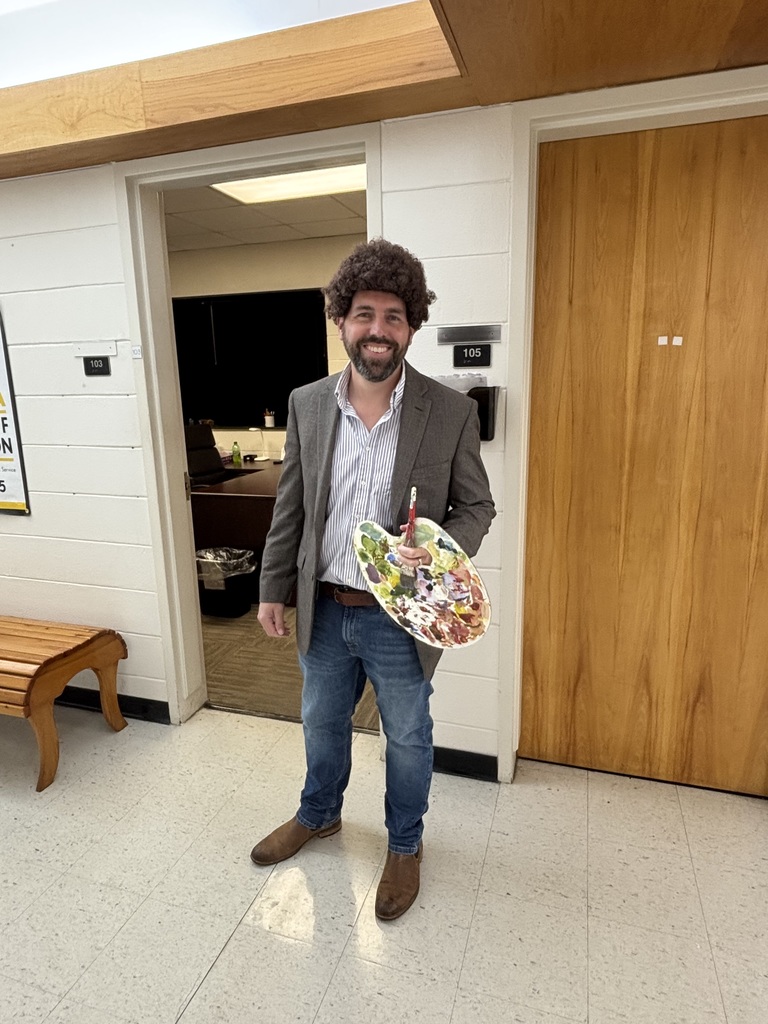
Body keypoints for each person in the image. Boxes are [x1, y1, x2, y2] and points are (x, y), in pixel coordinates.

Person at [251, 238, 496, 920]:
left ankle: (406, 846)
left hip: (400, 618)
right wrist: (273, 587)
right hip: (324, 607)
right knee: (321, 724)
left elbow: (477, 505)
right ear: (342, 321)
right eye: (364, 313)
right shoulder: (307, 404)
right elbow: (292, 505)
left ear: (412, 325)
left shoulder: (449, 412)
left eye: (394, 315)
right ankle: (318, 814)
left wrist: (440, 547)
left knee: (409, 738)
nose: (378, 329)